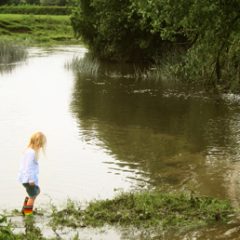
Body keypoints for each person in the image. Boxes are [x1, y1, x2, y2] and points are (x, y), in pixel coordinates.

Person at [18, 132, 47, 216]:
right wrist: (31, 179)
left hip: (24, 178)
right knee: (33, 195)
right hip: (28, 179)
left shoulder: (28, 151)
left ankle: (25, 210)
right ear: (38, 143)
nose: (41, 147)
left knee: (35, 192)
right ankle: (28, 215)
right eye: (41, 144)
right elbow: (28, 167)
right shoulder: (31, 153)